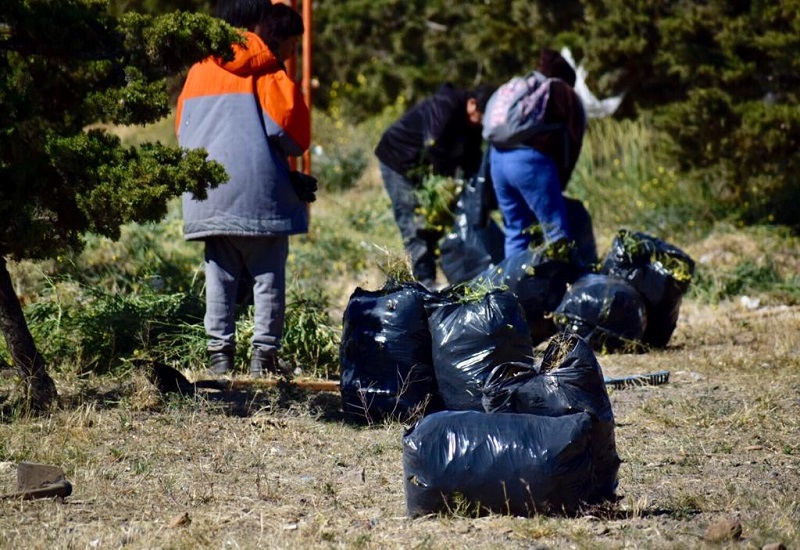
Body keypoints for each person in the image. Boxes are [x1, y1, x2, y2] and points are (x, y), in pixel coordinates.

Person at [175, 0, 310, 378]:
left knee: (220, 277)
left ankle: (219, 357)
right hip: (259, 197)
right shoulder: (266, 68)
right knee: (267, 278)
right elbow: (293, 134)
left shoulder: (198, 70)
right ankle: (262, 358)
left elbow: (182, 130)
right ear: (259, 22)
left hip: (206, 196)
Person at [375, 83, 497, 290]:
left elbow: (472, 158)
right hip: (398, 161)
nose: (483, 123)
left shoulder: (473, 124)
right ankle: (424, 281)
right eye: (483, 116)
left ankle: (441, 273)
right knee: (413, 221)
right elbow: (433, 144)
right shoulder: (446, 105)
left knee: (435, 222)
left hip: (424, 169)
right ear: (472, 103)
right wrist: (448, 180)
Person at [488, 49, 587, 257]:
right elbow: (573, 140)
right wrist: (561, 180)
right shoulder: (561, 91)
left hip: (497, 159)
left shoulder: (518, 85)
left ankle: (513, 286)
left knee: (516, 231)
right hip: (529, 162)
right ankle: (564, 283)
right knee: (555, 230)